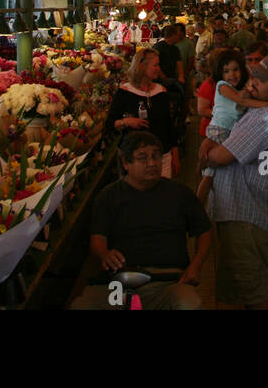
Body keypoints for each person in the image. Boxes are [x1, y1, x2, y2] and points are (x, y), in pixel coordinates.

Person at [70, 131, 211, 310]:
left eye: (156, 157)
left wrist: (195, 267)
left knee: (189, 303)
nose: (152, 163)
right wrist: (104, 253)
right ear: (126, 163)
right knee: (82, 306)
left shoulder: (180, 193)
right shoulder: (109, 196)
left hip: (169, 280)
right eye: (142, 158)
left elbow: (204, 231)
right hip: (120, 282)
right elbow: (97, 240)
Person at [200, 54, 268, 309]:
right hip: (247, 213)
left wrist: (206, 152)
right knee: (239, 290)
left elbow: (222, 157)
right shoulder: (265, 108)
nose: (253, 82)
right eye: (254, 75)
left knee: (249, 294)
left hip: (248, 218)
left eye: (262, 80)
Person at [197, 48, 268, 204]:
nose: (232, 74)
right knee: (209, 174)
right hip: (219, 130)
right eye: (226, 71)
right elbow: (241, 102)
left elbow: (243, 99)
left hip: (228, 131)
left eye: (236, 69)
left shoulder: (237, 89)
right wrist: (267, 104)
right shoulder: (222, 86)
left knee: (214, 173)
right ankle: (196, 208)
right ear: (220, 74)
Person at [107, 48, 179, 177]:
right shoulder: (124, 93)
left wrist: (175, 154)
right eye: (155, 65)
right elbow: (110, 123)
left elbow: (169, 125)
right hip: (135, 159)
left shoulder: (161, 92)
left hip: (161, 155)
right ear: (142, 66)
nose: (158, 69)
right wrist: (126, 122)